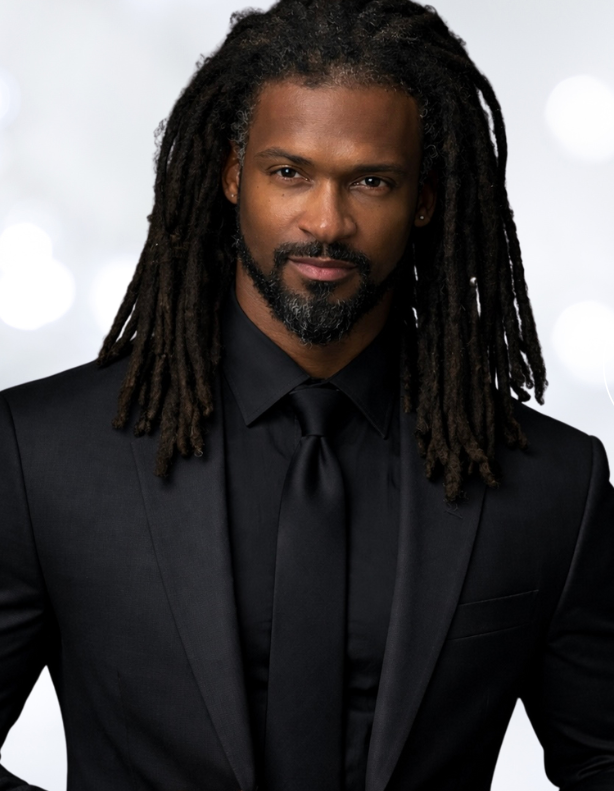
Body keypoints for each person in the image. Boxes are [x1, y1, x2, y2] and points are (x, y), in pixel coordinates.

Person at [1, 0, 613, 789]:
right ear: (231, 175)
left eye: (371, 180)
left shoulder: (552, 487)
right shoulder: (39, 454)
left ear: (424, 199)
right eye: (289, 172)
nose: (326, 222)